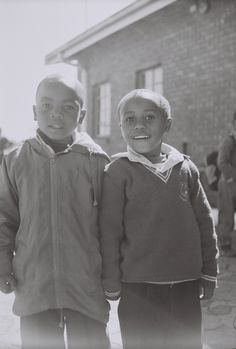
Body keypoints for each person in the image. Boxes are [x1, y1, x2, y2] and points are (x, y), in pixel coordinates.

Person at [99, 89, 218, 349]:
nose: (139, 125)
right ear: (120, 126)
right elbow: (109, 232)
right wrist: (110, 280)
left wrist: (209, 271)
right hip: (138, 289)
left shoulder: (186, 168)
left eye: (149, 117)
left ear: (168, 124)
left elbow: (205, 223)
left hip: (186, 284)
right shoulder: (117, 172)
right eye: (129, 119)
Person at [0, 74, 110, 349]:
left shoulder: (96, 160)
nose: (56, 115)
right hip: (35, 286)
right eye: (47, 106)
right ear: (35, 112)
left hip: (86, 286)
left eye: (68, 107)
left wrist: (113, 273)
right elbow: (5, 217)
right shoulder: (14, 160)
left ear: (81, 114)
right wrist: (3, 264)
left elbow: (109, 225)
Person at [217, 111, 236, 257]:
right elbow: (222, 162)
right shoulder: (229, 140)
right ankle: (224, 245)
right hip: (228, 183)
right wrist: (232, 177)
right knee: (227, 216)